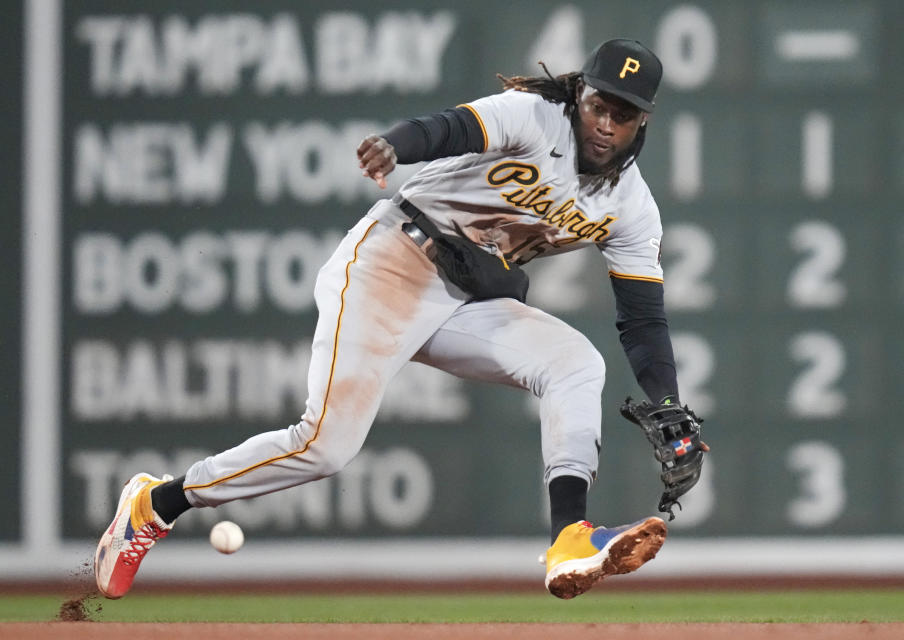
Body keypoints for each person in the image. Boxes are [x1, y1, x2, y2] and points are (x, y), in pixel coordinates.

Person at [95, 38, 689, 601]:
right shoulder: (535, 115)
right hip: (392, 262)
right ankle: (159, 503)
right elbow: (453, 126)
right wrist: (396, 145)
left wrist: (668, 401)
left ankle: (570, 537)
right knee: (325, 448)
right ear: (579, 94)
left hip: (463, 299)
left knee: (575, 363)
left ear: (644, 122)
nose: (606, 123)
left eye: (624, 114)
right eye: (598, 105)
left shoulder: (632, 208)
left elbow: (642, 319)